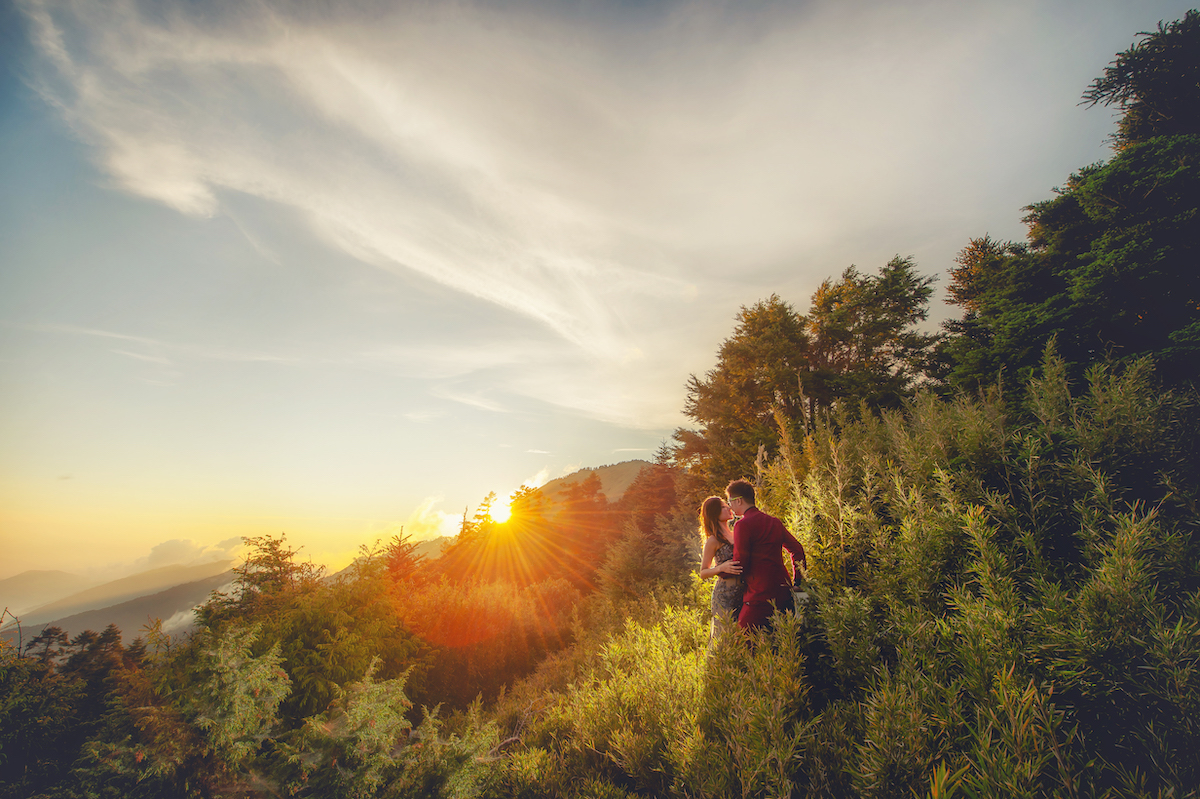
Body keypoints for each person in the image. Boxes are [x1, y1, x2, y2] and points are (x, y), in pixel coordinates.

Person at [727, 478, 806, 632]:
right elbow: (797, 549)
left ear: (739, 501)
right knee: (781, 641)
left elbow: (740, 563)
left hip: (759, 595)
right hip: (783, 591)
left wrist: (720, 570)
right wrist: (797, 581)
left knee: (743, 643)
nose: (730, 506)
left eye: (730, 501)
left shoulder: (742, 525)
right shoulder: (773, 522)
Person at [698, 496, 744, 643]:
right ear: (715, 513)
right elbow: (703, 573)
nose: (729, 508)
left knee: (742, 635)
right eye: (724, 507)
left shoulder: (737, 532)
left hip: (744, 592)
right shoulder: (713, 540)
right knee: (723, 637)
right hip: (724, 596)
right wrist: (721, 567)